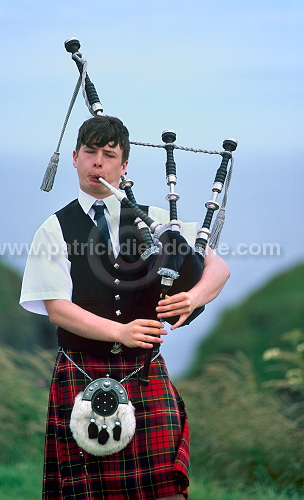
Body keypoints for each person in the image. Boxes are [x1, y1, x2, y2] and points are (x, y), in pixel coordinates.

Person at [20, 115, 230, 500]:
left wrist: (194, 297)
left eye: (108, 154)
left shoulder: (158, 219)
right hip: (82, 371)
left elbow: (218, 268)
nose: (97, 163)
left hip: (145, 372)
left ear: (124, 165)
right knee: (87, 493)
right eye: (90, 152)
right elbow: (57, 308)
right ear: (74, 158)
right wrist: (119, 331)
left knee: (167, 490)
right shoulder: (54, 228)